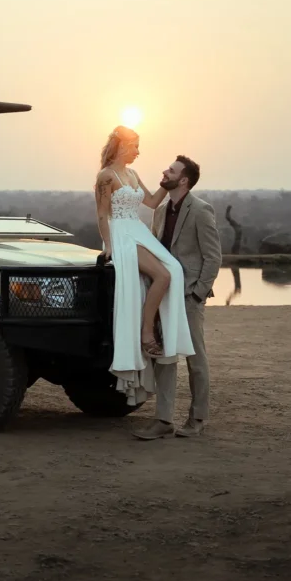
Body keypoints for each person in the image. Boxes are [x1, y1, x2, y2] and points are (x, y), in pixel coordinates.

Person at [94, 127, 195, 407]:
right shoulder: (106, 177)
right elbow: (102, 214)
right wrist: (109, 245)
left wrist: (167, 182)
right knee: (162, 274)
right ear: (121, 145)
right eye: (135, 146)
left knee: (172, 269)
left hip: (137, 231)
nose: (138, 151)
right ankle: (146, 332)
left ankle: (167, 332)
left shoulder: (132, 174)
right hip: (121, 235)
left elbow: (150, 203)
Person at [133, 155, 222, 440]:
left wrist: (198, 293)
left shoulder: (201, 210)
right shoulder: (160, 211)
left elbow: (213, 257)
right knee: (165, 358)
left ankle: (197, 418)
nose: (165, 171)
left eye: (171, 170)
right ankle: (164, 420)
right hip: (164, 294)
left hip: (189, 296)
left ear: (183, 180)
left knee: (195, 358)